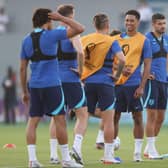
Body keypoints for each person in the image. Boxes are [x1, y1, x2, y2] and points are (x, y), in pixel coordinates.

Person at [19, 8, 84, 168]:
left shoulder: (26, 40)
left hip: (34, 85)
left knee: (32, 121)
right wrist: (62, 17)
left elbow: (22, 68)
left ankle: (32, 160)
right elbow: (79, 28)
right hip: (52, 85)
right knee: (60, 120)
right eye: (51, 21)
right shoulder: (51, 35)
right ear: (48, 22)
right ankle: (66, 161)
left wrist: (24, 91)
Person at [81, 13, 125, 164]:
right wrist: (117, 76)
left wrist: (82, 75)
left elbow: (78, 57)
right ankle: (108, 156)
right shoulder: (111, 41)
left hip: (88, 82)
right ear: (107, 25)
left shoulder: (85, 39)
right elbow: (123, 59)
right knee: (108, 120)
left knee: (83, 117)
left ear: (94, 25)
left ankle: (76, 149)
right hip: (106, 82)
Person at [49, 4, 88, 165]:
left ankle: (53, 155)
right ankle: (76, 148)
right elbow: (80, 52)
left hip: (54, 79)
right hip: (70, 79)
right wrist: (81, 71)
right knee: (83, 115)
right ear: (70, 16)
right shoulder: (72, 32)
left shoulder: (51, 34)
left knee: (57, 117)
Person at [113, 10, 151, 162]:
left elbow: (147, 66)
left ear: (138, 22)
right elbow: (109, 64)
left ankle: (136, 153)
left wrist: (142, 86)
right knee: (114, 116)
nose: (129, 23)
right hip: (117, 84)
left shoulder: (143, 40)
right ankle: (110, 151)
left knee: (137, 117)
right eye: (127, 20)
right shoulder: (115, 39)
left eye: (132, 21)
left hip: (134, 85)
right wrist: (119, 69)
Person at [143, 13, 168, 159]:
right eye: (159, 23)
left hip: (164, 81)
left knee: (161, 118)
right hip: (152, 82)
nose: (162, 26)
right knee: (151, 116)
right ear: (153, 24)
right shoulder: (146, 39)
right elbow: (137, 57)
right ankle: (152, 150)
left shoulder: (166, 39)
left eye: (164, 23)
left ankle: (148, 148)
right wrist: (144, 74)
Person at [95, 29, 121, 150]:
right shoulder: (109, 48)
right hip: (108, 83)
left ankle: (101, 139)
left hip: (116, 84)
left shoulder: (117, 48)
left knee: (110, 112)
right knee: (108, 112)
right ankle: (104, 140)